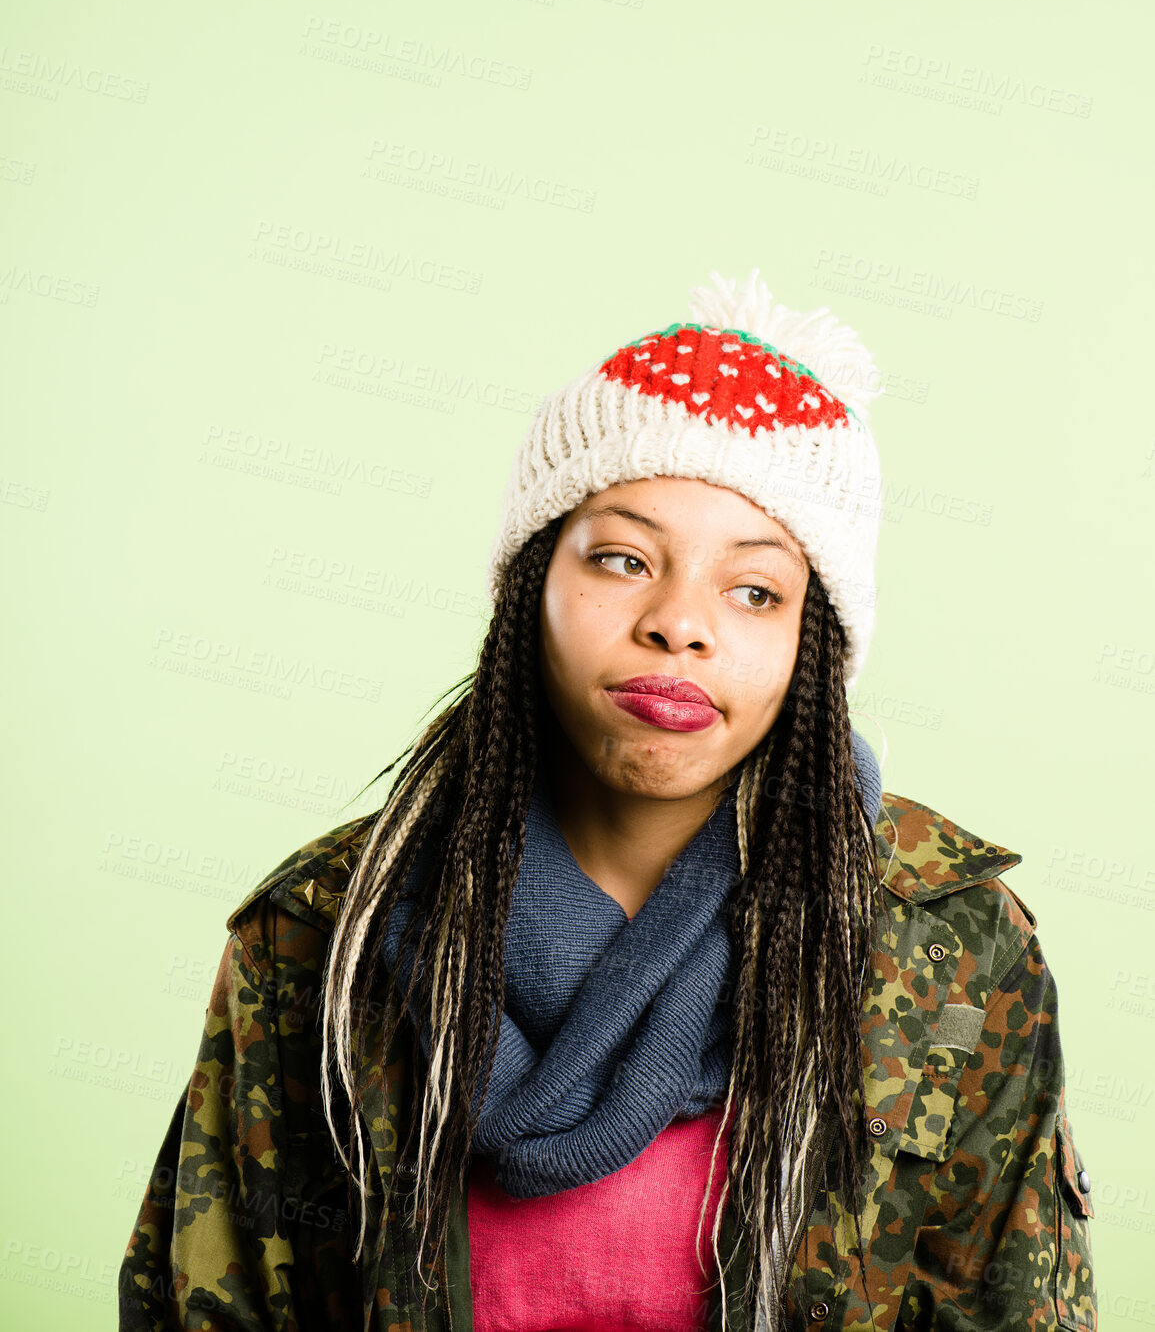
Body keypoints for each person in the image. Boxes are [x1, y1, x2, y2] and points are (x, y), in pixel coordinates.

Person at [120, 268, 1097, 1331]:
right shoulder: (322, 931)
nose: (680, 624)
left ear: (814, 646)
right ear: (530, 584)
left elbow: (1012, 1303)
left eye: (755, 590)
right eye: (624, 559)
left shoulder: (948, 938)